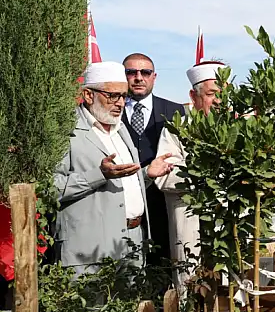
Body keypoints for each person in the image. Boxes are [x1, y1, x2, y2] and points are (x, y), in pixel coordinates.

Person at [54, 62, 173, 275]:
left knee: (129, 308)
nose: (120, 103)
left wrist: (146, 174)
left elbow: (121, 184)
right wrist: (98, 175)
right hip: (89, 251)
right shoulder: (66, 131)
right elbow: (50, 189)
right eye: (112, 95)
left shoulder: (119, 129)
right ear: (89, 95)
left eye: (123, 96)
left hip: (133, 244)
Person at [155, 61, 226, 289]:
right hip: (189, 223)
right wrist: (202, 175)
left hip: (227, 226)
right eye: (212, 94)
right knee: (188, 290)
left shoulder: (236, 129)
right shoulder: (176, 129)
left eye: (222, 95)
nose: (218, 101)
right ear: (193, 97)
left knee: (231, 292)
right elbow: (164, 176)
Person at [121, 53, 186, 271]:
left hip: (162, 203)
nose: (138, 78)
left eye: (145, 72)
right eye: (131, 72)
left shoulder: (175, 111)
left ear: (154, 77)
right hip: (123, 203)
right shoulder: (112, 111)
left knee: (164, 263)